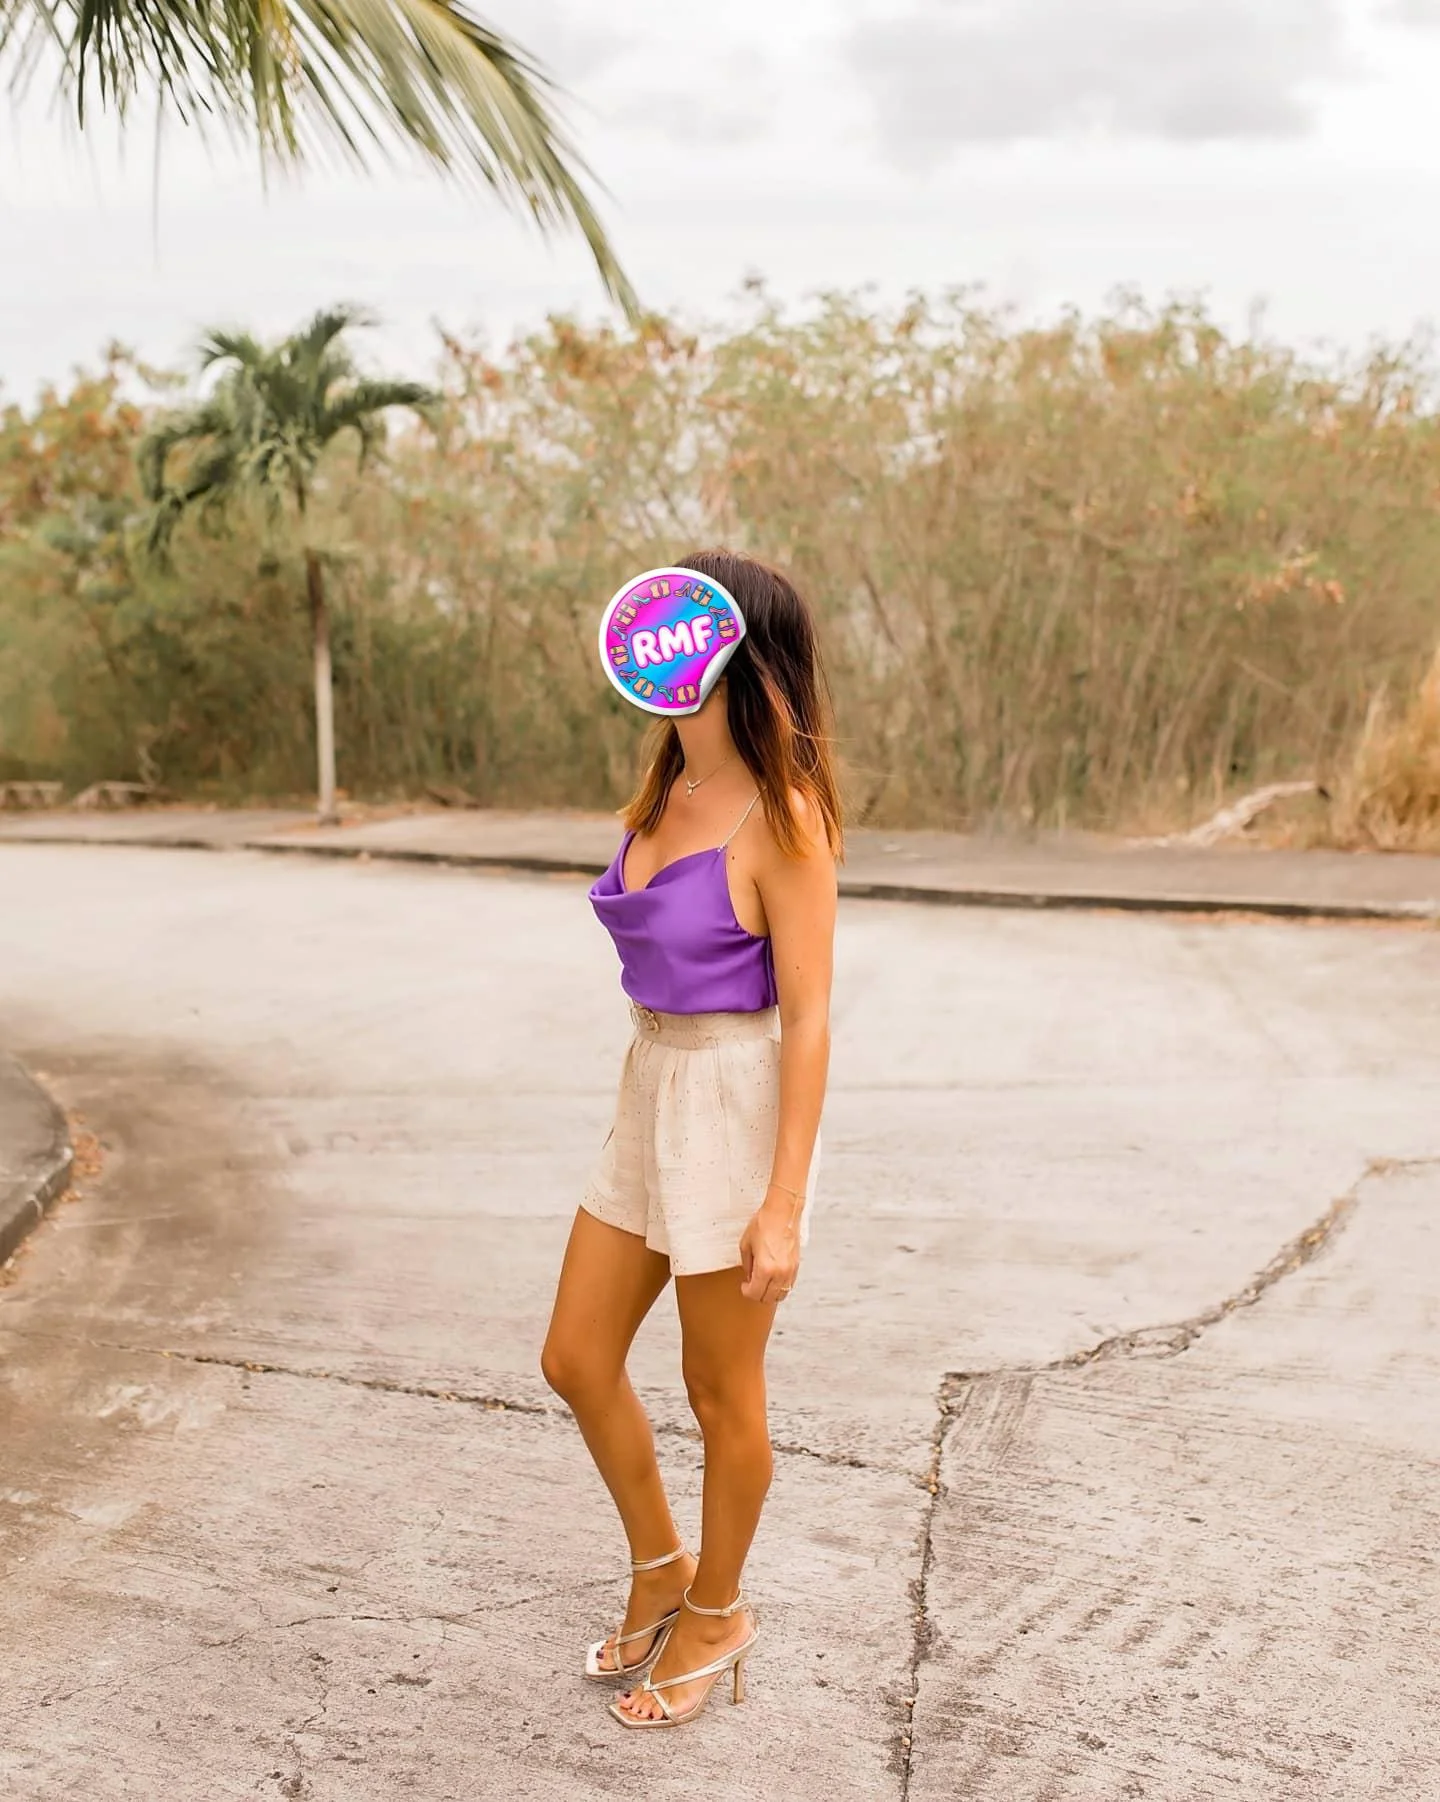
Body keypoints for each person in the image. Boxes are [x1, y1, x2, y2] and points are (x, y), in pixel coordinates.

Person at [540, 548, 843, 1730]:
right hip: (650, 1083)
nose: (661, 649)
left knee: (722, 1389)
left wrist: (783, 1202)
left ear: (741, 653)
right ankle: (661, 1563)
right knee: (575, 1355)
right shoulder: (664, 786)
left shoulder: (786, 816)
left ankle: (718, 1611)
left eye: (688, 630)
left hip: (731, 1099)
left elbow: (809, 1016)